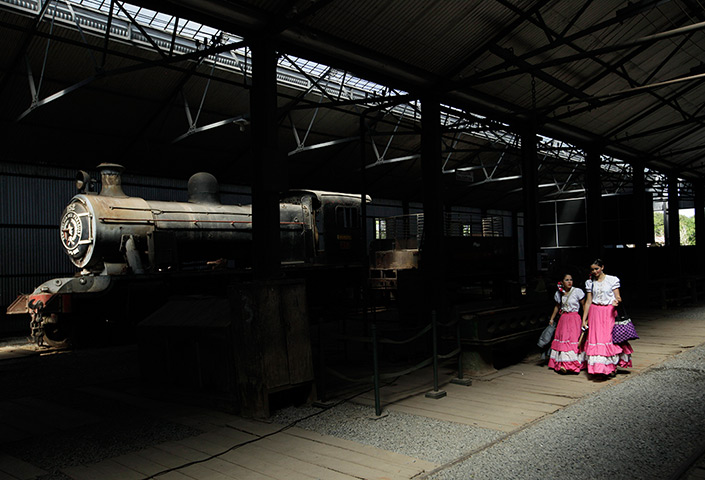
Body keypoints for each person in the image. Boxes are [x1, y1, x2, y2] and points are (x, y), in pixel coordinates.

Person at [581, 259, 633, 377]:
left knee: (607, 338)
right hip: (595, 312)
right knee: (596, 339)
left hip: (608, 311)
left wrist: (616, 301)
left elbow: (618, 297)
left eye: (597, 269)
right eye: (592, 269)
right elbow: (588, 302)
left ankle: (611, 366)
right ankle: (600, 367)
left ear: (602, 267)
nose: (594, 271)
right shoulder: (590, 282)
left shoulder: (612, 280)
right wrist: (584, 319)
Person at [547, 273, 586, 373]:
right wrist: (552, 318)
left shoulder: (577, 291)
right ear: (562, 282)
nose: (569, 282)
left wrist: (585, 319)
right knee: (564, 340)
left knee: (573, 339)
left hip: (574, 318)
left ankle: (574, 363)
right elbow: (557, 306)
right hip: (564, 319)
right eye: (567, 280)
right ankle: (564, 364)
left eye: (571, 280)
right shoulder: (559, 293)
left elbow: (584, 305)